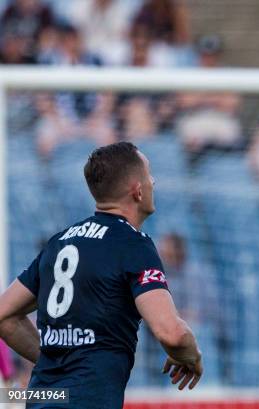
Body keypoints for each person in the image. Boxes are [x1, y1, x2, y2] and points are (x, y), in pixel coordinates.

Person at [0, 142, 203, 408]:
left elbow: (4, 314)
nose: (153, 181)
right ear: (138, 190)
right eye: (149, 174)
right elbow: (171, 332)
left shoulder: (60, 242)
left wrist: (60, 364)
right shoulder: (132, 244)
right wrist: (193, 356)